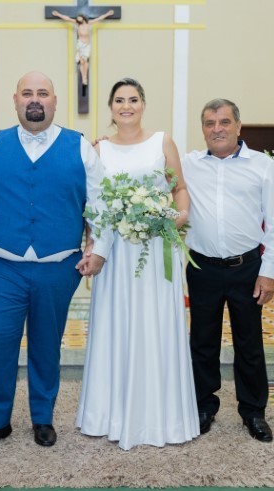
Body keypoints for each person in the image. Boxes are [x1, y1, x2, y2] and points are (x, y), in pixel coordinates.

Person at [0, 71, 113, 455]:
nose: (35, 99)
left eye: (43, 93)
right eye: (28, 93)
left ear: (54, 101)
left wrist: (100, 248)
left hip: (58, 266)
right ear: (15, 100)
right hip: (2, 266)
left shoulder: (80, 147)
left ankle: (42, 417)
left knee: (47, 344)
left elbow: (99, 202)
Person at [76, 77, 200, 450]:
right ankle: (109, 414)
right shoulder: (98, 149)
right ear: (111, 108)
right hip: (115, 253)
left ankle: (162, 417)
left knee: (155, 324)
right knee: (117, 323)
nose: (126, 106)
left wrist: (179, 216)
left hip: (155, 250)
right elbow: (93, 202)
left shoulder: (162, 141)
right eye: (119, 100)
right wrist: (92, 242)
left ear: (143, 104)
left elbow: (179, 188)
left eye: (133, 99)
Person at [183, 99, 274, 443]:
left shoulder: (262, 166)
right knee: (202, 341)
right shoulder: (189, 164)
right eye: (210, 123)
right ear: (203, 129)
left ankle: (253, 411)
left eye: (224, 122)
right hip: (202, 268)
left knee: (249, 343)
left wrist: (269, 271)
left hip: (247, 269)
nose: (217, 129)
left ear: (238, 126)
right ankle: (203, 406)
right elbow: (149, 167)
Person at [51, 10, 115, 88]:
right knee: (82, 62)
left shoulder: (89, 24)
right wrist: (58, 14)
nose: (79, 19)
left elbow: (99, 19)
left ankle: (85, 77)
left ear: (82, 17)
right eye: (77, 19)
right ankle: (84, 78)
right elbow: (67, 19)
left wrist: (107, 14)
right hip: (80, 44)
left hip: (86, 45)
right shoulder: (77, 24)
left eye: (79, 18)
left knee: (85, 61)